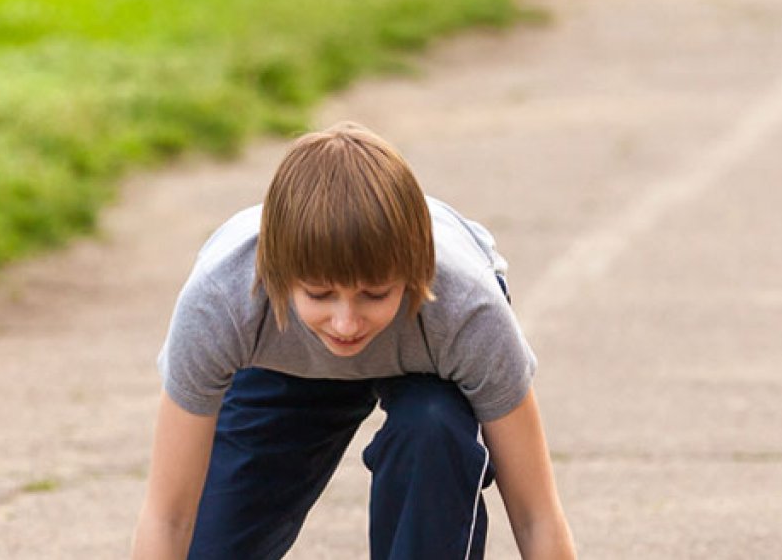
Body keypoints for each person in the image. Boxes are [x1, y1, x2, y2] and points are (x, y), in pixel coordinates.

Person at [132, 122, 575, 559]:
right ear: (278, 277)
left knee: (432, 427)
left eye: (374, 294)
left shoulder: (466, 309)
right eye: (320, 294)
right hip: (288, 354)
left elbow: (535, 514)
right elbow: (169, 517)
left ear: (415, 271)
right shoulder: (221, 301)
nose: (346, 324)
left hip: (425, 362)